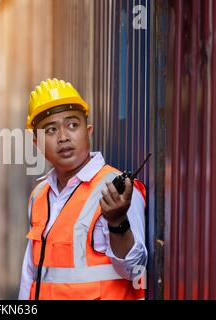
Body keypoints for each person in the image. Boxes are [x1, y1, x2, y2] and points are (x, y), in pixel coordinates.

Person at [18, 79, 147, 300]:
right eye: (51, 130)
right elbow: (30, 275)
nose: (63, 137)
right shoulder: (39, 196)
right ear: (36, 143)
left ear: (88, 131)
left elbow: (135, 270)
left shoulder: (118, 189)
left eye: (72, 125)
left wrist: (117, 223)